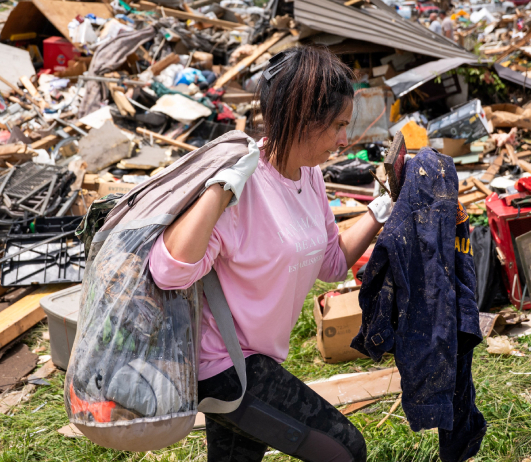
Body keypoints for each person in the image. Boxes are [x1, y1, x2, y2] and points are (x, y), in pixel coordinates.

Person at [148, 46, 391, 462]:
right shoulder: (241, 183)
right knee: (346, 450)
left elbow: (332, 263)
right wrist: (219, 188)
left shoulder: (310, 176)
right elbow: (168, 272)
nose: (344, 140)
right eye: (336, 125)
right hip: (223, 367)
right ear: (302, 118)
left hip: (256, 361)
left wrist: (381, 208)